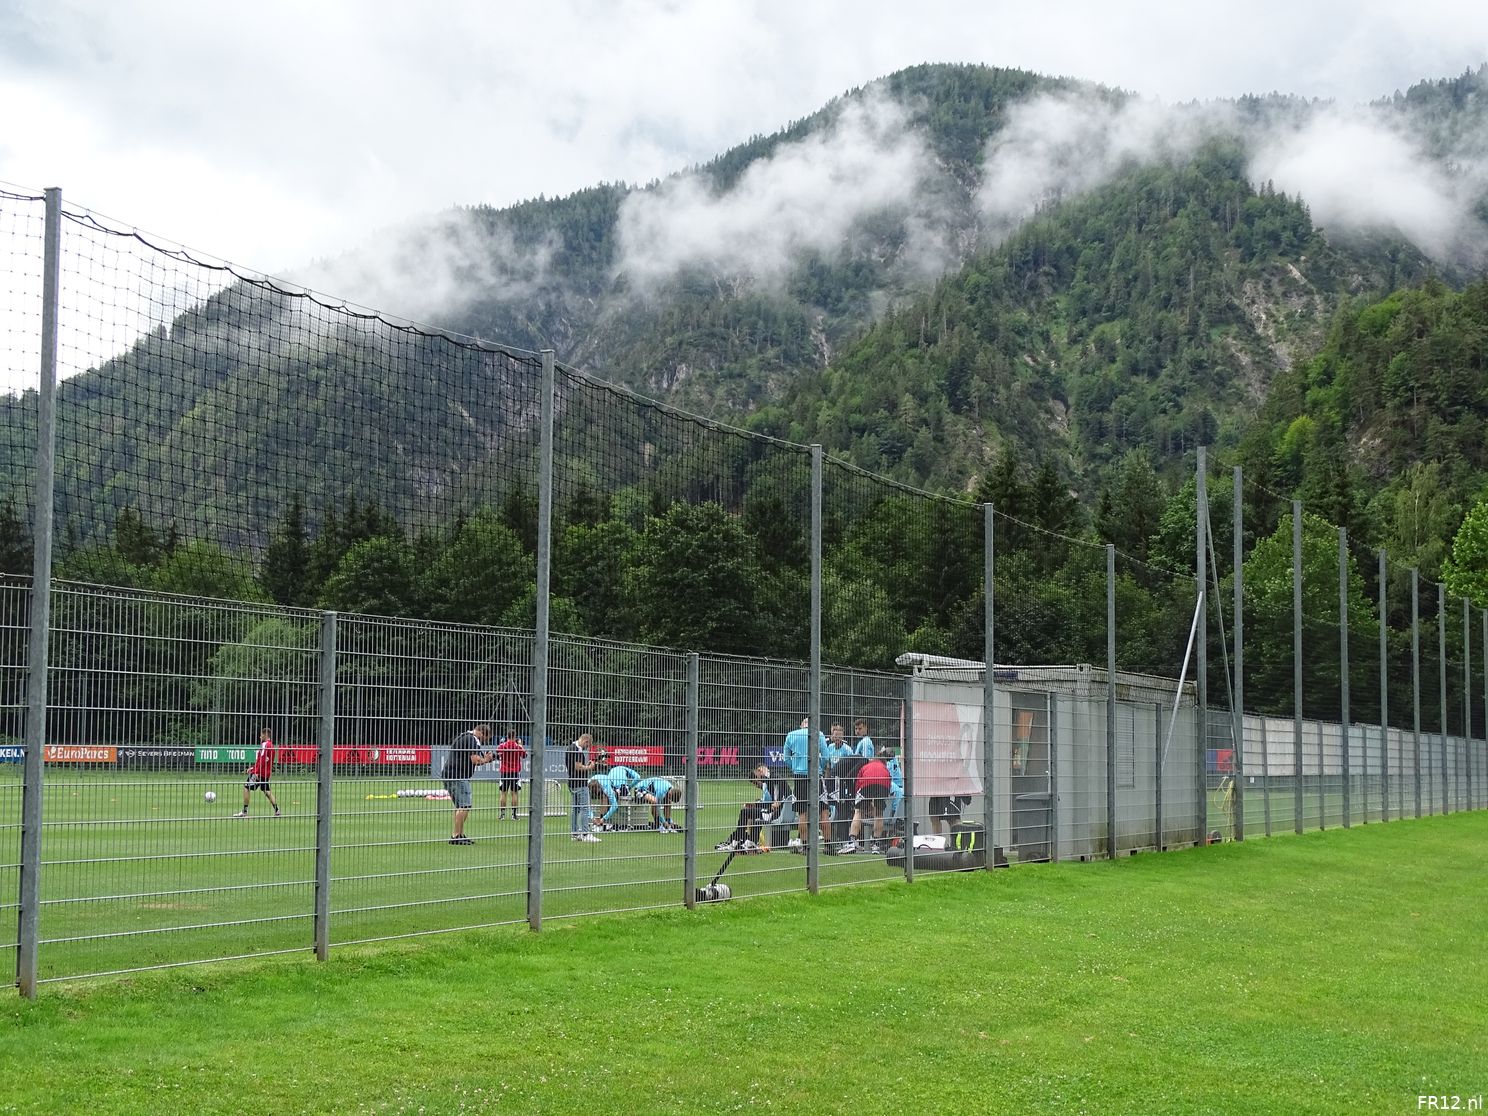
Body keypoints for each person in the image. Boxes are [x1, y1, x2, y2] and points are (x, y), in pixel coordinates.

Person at [440, 723, 494, 845]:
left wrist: (484, 758)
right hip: (458, 776)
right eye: (485, 738)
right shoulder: (472, 739)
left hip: (450, 774)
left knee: (460, 806)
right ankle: (456, 836)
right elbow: (475, 760)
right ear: (481, 732)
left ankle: (460, 834)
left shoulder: (463, 736)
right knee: (465, 805)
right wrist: (486, 760)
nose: (484, 741)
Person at [782, 716, 830, 853]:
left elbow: (786, 758)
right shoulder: (818, 734)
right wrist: (819, 767)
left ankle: (805, 845)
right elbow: (826, 756)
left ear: (801, 724)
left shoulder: (791, 735)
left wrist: (794, 767)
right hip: (815, 775)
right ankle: (828, 844)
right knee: (824, 810)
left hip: (800, 776)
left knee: (802, 812)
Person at [716, 764, 787, 852]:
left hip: (774, 814)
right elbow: (769, 803)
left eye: (757, 778)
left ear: (760, 771)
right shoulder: (769, 781)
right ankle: (750, 841)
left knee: (745, 812)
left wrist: (778, 801)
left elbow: (781, 781)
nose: (758, 781)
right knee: (750, 812)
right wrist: (756, 805)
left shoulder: (772, 777)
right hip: (773, 811)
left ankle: (736, 841)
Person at [841, 753, 892, 854]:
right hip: (883, 785)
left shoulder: (866, 766)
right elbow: (889, 782)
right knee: (879, 814)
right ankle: (876, 845)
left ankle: (852, 842)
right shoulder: (885, 768)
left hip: (866, 784)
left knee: (858, 812)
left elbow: (858, 783)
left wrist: (857, 799)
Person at [233, 726, 281, 818]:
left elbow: (262, 759)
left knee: (246, 787)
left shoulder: (264, 744)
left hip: (259, 773)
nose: (260, 737)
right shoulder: (271, 745)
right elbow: (265, 760)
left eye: (261, 735)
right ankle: (277, 810)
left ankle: (245, 811)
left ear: (266, 735)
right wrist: (253, 768)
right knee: (266, 791)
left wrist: (256, 772)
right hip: (266, 773)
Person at [566, 732, 601, 842]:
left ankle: (575, 833)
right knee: (585, 808)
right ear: (585, 741)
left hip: (572, 782)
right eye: (588, 745)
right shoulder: (577, 749)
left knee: (575, 809)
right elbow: (578, 767)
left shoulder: (570, 747)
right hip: (580, 784)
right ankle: (586, 834)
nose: (587, 748)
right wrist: (589, 767)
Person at [495, 730, 527, 820]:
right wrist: (520, 744)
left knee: (503, 793)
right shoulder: (517, 747)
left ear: (507, 736)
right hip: (515, 772)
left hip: (504, 772)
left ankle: (502, 815)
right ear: (515, 737)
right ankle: (514, 815)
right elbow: (525, 755)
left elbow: (497, 754)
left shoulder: (502, 746)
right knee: (514, 793)